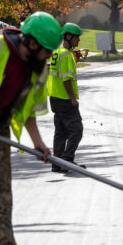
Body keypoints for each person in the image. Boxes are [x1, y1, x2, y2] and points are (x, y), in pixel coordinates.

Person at [0, 11, 62, 245]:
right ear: (31, 43)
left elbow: (28, 108)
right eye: (47, 50)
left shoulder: (36, 67)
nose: (50, 55)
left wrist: (37, 141)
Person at [48, 22, 85, 172]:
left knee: (61, 131)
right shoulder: (66, 55)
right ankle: (67, 160)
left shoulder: (58, 52)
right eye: (77, 37)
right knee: (77, 130)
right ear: (68, 36)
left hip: (55, 98)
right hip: (65, 99)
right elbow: (66, 79)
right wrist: (72, 99)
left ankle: (56, 163)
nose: (79, 41)